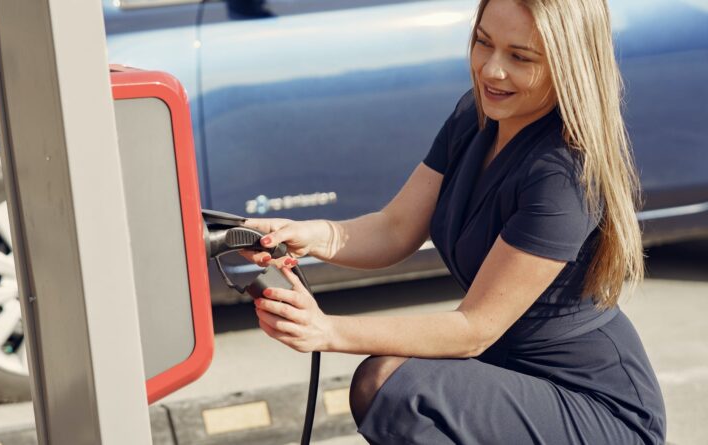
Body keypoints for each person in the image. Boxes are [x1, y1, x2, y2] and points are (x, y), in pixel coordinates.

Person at [240, 0, 666, 443]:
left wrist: (328, 330)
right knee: (389, 383)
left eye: (520, 57)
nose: (491, 70)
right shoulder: (475, 116)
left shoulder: (564, 175)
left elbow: (473, 329)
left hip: (593, 404)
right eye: (483, 43)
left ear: (569, 64)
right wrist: (309, 236)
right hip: (508, 372)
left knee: (394, 387)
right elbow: (395, 228)